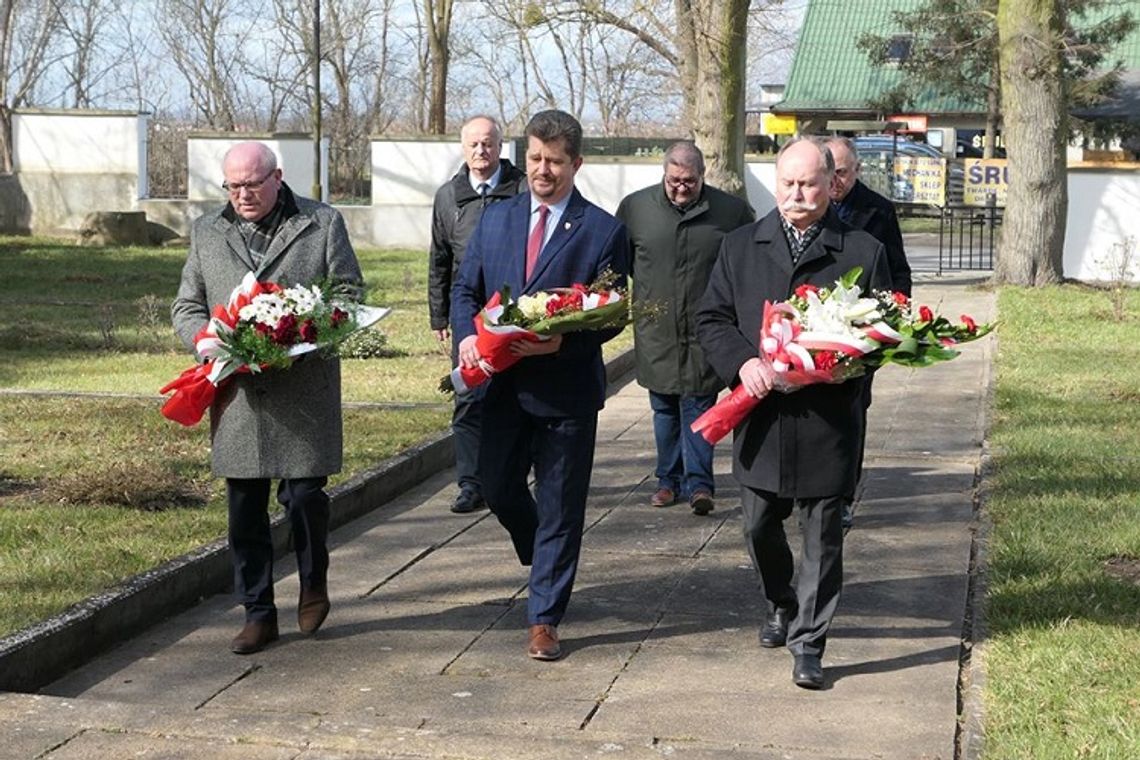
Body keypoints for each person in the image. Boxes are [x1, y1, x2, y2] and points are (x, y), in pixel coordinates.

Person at [695, 137, 891, 689]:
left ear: (832, 185)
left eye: (809, 184)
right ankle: (780, 600)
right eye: (788, 183)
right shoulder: (740, 247)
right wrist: (742, 365)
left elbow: (881, 336)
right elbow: (711, 319)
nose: (797, 194)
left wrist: (841, 368)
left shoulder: (862, 251)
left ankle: (809, 642)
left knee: (824, 535)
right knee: (759, 525)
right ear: (775, 183)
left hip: (829, 419)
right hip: (762, 416)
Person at [172, 141, 364, 655]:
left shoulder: (321, 223)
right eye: (232, 187)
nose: (242, 195)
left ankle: (313, 580)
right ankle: (258, 612)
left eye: (252, 184)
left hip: (303, 390)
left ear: (277, 177)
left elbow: (349, 294)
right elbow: (186, 304)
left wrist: (300, 334)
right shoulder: (208, 232)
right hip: (238, 395)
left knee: (303, 497)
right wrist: (205, 338)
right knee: (244, 508)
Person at [451, 110, 629, 662]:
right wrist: (466, 337)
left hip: (565, 393)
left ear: (575, 163)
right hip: (500, 387)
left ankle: (544, 616)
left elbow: (614, 313)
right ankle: (538, 549)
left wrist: (565, 343)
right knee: (498, 486)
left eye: (553, 162)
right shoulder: (497, 220)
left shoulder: (603, 230)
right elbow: (465, 288)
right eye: (533, 159)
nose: (541, 171)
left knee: (561, 506)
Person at [616, 141, 753, 516]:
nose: (680, 188)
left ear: (702, 176)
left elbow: (746, 263)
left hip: (706, 328)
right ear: (664, 173)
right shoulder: (636, 208)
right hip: (657, 328)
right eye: (674, 180)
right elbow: (624, 261)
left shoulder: (731, 211)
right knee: (663, 408)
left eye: (689, 182)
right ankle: (667, 480)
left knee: (699, 404)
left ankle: (699, 484)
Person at [429, 116, 527, 514]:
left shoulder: (520, 189)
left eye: (488, 144)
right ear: (462, 147)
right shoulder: (448, 197)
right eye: (473, 144)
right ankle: (471, 483)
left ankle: (511, 476)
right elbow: (438, 259)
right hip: (466, 312)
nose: (481, 152)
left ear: (500, 146)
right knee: (468, 395)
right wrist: (439, 316)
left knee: (514, 397)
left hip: (513, 310)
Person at [826, 136, 912, 530]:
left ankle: (843, 494)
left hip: (861, 331)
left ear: (856, 170)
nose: (835, 180)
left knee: (851, 411)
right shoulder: (812, 205)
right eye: (830, 172)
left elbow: (898, 273)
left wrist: (888, 322)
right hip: (817, 325)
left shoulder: (877, 210)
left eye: (842, 172)